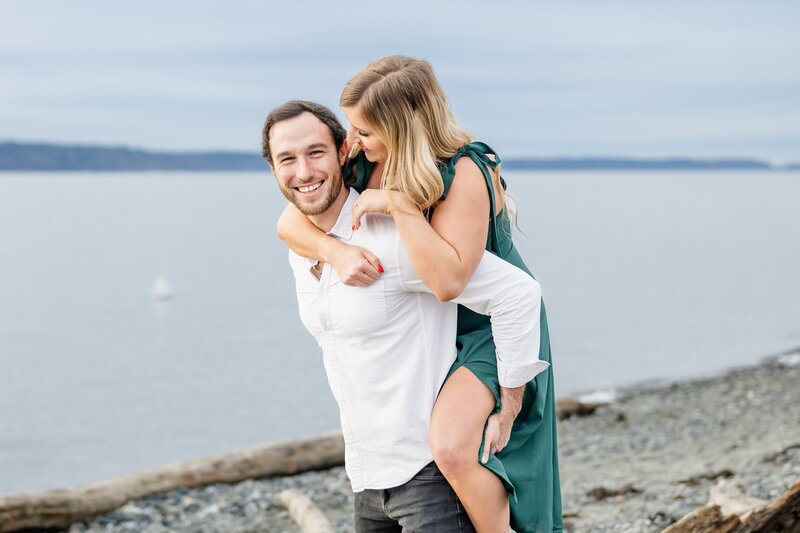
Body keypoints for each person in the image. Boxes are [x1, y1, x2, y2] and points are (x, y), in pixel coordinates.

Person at [277, 57, 562, 532]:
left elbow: (450, 281)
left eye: (365, 130)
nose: (353, 141)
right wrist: (337, 253)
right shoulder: (366, 158)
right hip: (439, 320)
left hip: (490, 324)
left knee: (452, 446)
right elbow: (289, 220)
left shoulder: (465, 169)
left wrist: (399, 205)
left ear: (402, 126)